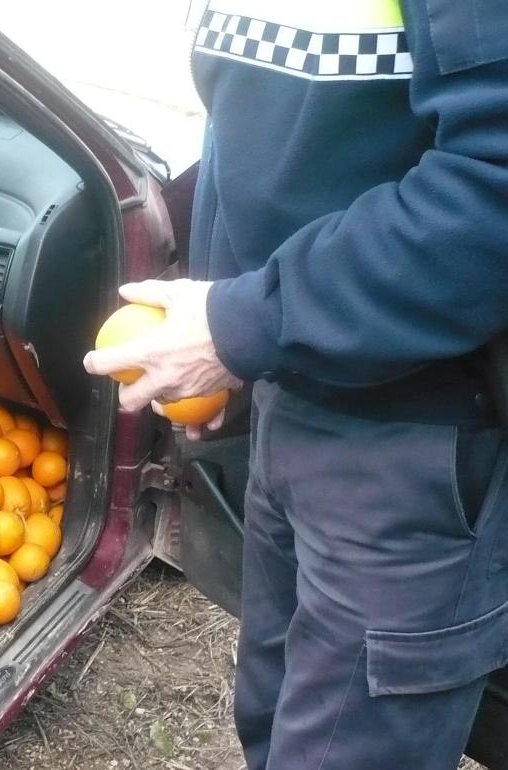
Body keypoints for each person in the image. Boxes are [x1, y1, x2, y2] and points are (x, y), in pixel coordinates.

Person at [83, 0, 508, 767]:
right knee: (274, 719)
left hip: (411, 444)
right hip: (289, 387)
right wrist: (223, 318)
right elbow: (265, 145)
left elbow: (492, 187)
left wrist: (243, 325)